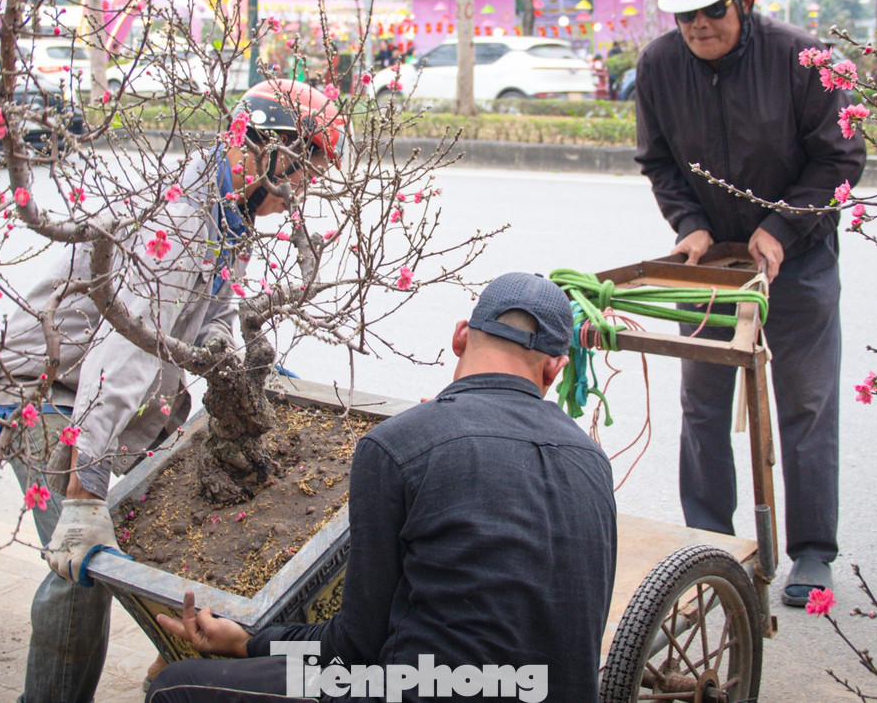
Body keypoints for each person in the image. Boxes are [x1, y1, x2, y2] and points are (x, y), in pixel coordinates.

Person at [0, 78, 346, 703]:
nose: (302, 188)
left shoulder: (228, 211)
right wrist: (83, 493)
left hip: (102, 392)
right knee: (82, 571)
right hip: (49, 395)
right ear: (262, 147)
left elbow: (214, 315)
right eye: (304, 167)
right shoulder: (180, 222)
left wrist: (245, 368)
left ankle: (170, 670)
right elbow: (115, 363)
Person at [146, 272, 618, 703]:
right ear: (554, 370)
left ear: (459, 337)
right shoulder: (594, 463)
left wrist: (248, 642)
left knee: (175, 687)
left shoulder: (398, 446)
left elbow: (352, 650)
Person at [632, 0, 866, 607]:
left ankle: (812, 553)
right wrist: (688, 226)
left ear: (746, 1)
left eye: (712, 11)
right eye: (685, 16)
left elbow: (839, 162)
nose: (699, 27)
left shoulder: (802, 61)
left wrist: (781, 225)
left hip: (801, 255)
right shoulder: (658, 66)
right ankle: (709, 545)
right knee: (701, 403)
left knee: (805, 404)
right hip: (709, 260)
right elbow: (659, 162)